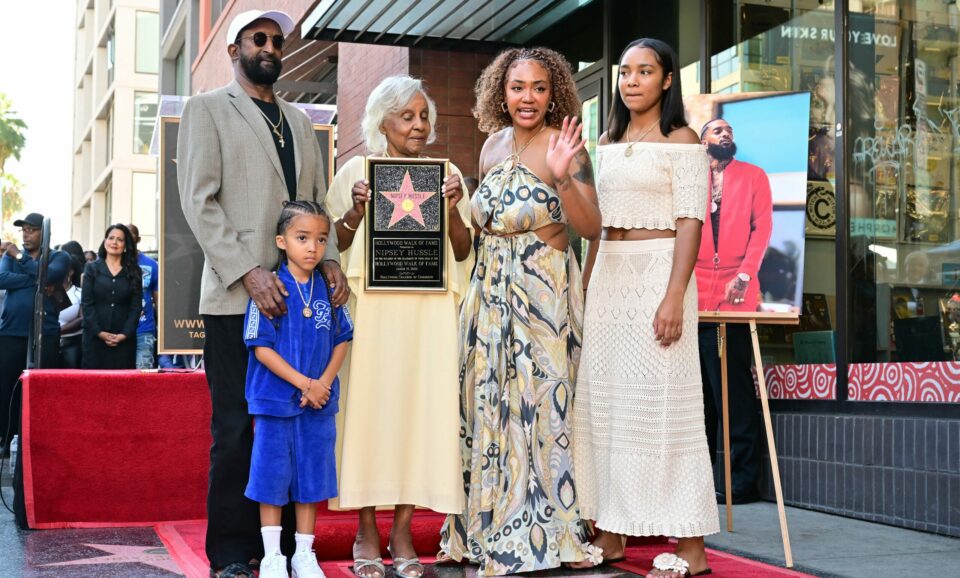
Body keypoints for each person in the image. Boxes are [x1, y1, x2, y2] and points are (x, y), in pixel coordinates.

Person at [177, 9, 348, 578]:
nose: (270, 46)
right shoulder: (206, 110)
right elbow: (199, 201)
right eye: (259, 39)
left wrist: (329, 261)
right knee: (234, 428)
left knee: (293, 424)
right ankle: (231, 552)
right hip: (235, 298)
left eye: (277, 40)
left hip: (300, 305)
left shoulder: (299, 121)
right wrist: (248, 270)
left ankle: (286, 549)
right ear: (235, 50)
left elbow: (316, 206)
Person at [439, 47, 602, 575]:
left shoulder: (566, 144)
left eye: (538, 87)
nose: (527, 97)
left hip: (542, 300)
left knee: (543, 409)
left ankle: (554, 533)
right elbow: (474, 236)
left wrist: (562, 176)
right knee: (489, 408)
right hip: (487, 297)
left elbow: (591, 227)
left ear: (553, 93)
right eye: (517, 87)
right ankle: (488, 530)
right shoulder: (491, 146)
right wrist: (453, 207)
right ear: (501, 93)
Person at [571, 39, 718, 577]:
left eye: (645, 71)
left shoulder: (683, 140)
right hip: (609, 276)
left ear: (667, 79)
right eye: (625, 72)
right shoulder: (607, 141)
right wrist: (586, 290)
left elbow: (691, 221)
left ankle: (691, 546)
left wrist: (674, 294)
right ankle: (611, 532)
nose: (632, 81)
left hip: (659, 276)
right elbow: (596, 228)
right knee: (608, 407)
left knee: (666, 409)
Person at [327, 75, 473, 578]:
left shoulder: (447, 175)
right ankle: (366, 530)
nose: (418, 125)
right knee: (370, 414)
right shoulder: (355, 172)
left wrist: (452, 209)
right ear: (381, 122)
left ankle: (404, 531)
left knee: (419, 415)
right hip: (372, 314)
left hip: (427, 317)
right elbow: (331, 248)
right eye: (406, 116)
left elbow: (462, 251)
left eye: (423, 116)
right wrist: (356, 211)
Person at [244, 201, 353, 578]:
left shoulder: (330, 289)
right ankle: (273, 555)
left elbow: (342, 338)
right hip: (275, 402)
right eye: (302, 238)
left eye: (321, 240)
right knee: (271, 476)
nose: (312, 247)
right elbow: (260, 347)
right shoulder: (270, 289)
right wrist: (304, 383)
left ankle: (304, 554)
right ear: (282, 241)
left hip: (318, 405)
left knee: (311, 477)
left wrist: (322, 384)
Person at [695, 117, 773, 506]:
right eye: (717, 130)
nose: (725, 134)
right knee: (700, 398)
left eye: (729, 130)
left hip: (736, 295)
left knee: (733, 392)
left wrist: (745, 273)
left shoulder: (754, 176)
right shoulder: (692, 179)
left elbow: (763, 228)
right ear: (703, 142)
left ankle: (742, 481)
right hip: (693, 298)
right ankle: (698, 482)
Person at [0, 213, 69, 455]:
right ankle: (6, 439)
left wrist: (19, 258)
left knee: (41, 388)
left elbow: (48, 274)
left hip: (44, 333)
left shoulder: (59, 256)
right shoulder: (9, 257)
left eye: (32, 230)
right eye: (24, 230)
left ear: (44, 233)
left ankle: (39, 440)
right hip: (11, 332)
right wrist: (36, 280)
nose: (26, 234)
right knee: (7, 388)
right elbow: (2, 279)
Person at [81, 224, 143, 369]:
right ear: (105, 241)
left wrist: (124, 334)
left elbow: (136, 307)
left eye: (120, 240)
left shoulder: (134, 271)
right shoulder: (91, 269)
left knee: (123, 382)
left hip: (124, 342)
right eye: (111, 238)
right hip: (94, 339)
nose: (114, 242)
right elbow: (87, 304)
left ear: (125, 245)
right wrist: (99, 332)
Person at [127, 224, 159, 369]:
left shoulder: (152, 265)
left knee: (143, 372)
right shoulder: (114, 263)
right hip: (118, 330)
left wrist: (161, 327)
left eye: (131, 234)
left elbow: (158, 299)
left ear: (138, 239)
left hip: (144, 328)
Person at [58, 255, 85, 369]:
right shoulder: (45, 292)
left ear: (71, 272)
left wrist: (57, 330)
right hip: (48, 344)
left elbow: (83, 319)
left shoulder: (80, 293)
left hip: (72, 344)